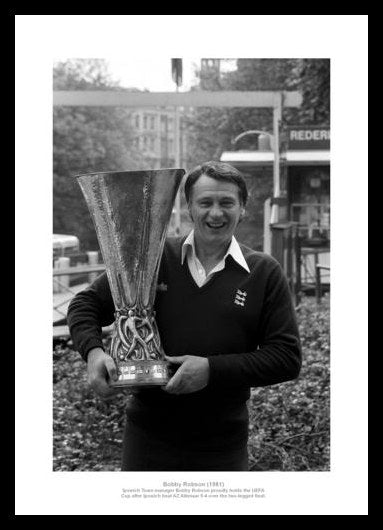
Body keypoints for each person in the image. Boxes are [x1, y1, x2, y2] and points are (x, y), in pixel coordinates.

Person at [67, 160, 302, 471]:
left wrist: (210, 370)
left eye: (227, 203)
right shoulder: (155, 257)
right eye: (205, 202)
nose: (215, 213)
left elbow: (286, 358)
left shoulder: (263, 272)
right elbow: (84, 304)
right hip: (147, 440)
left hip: (223, 447)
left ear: (243, 208)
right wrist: (94, 353)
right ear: (189, 207)